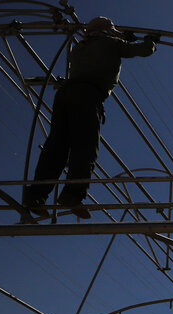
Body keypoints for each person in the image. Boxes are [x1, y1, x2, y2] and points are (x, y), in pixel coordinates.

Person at [23, 16, 158, 219]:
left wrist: (122, 38)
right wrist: (151, 41)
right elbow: (143, 50)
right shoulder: (111, 43)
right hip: (87, 96)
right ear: (107, 31)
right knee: (85, 146)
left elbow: (101, 50)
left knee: (57, 147)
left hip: (65, 95)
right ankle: (73, 195)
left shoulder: (79, 49)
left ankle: (36, 196)